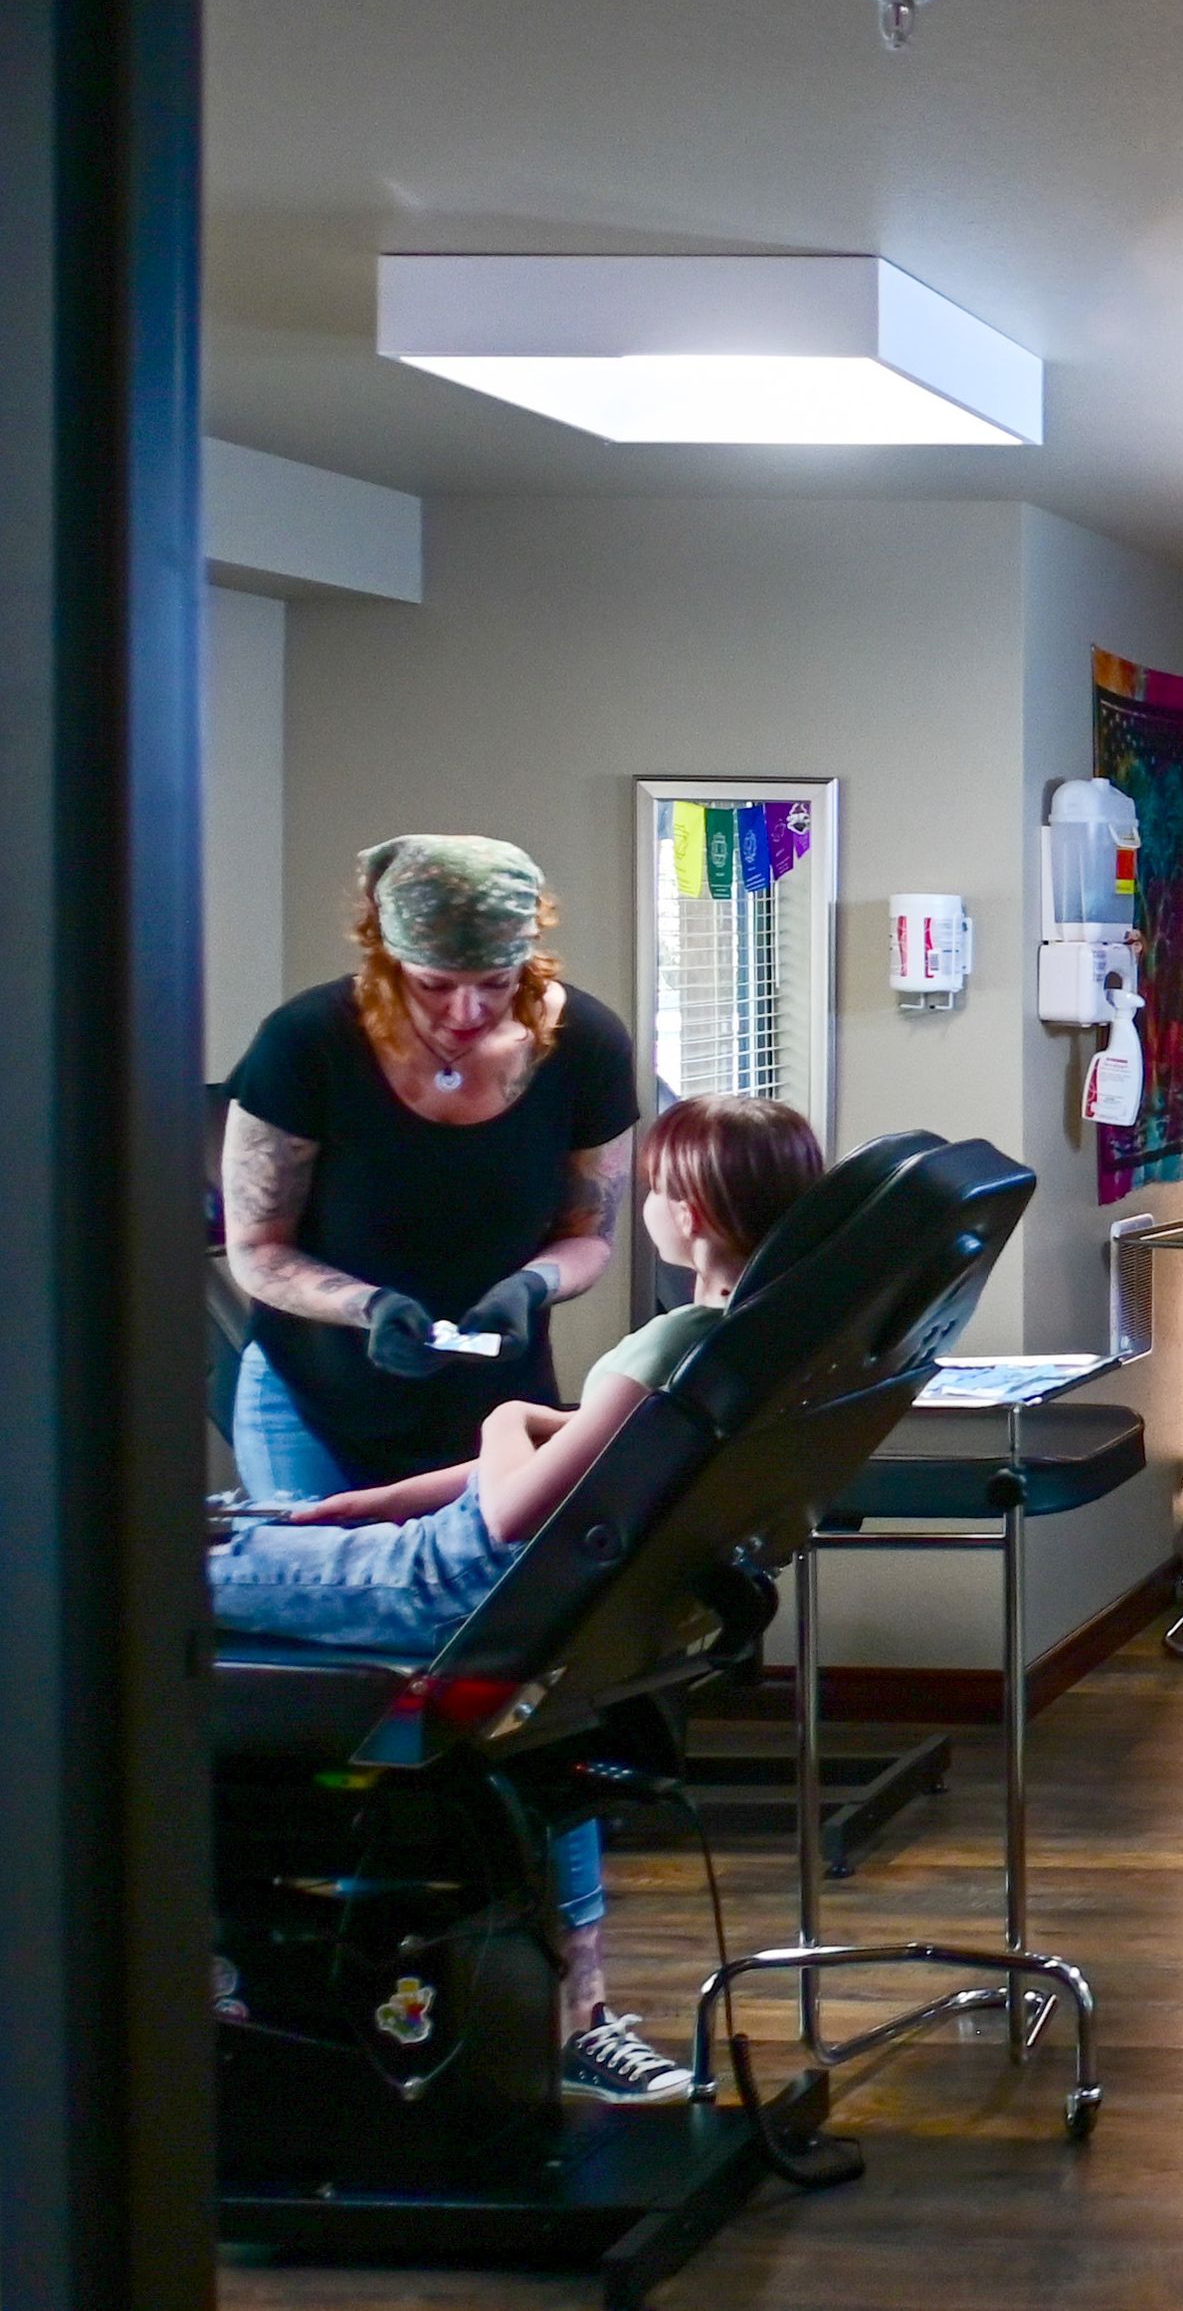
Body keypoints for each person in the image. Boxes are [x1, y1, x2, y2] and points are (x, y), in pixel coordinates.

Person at [212, 1094, 827, 2104]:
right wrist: (357, 1506)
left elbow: (506, 1510)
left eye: (659, 1191)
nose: (648, 1208)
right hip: (437, 1559)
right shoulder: (742, 1346)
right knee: (238, 1536)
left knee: (143, 1575)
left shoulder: (667, 1344)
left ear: (697, 1214)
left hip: (440, 1582)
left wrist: (503, 1410)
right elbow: (560, 1459)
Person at [222, 834, 638, 1502]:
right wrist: (370, 1306)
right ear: (388, 962)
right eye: (435, 985)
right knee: (330, 1588)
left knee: (486, 1600)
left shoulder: (586, 1045)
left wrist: (529, 1286)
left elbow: (589, 1232)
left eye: (496, 984)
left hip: (495, 1407)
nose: (467, 1012)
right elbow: (255, 1246)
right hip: (315, 1397)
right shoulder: (305, 1043)